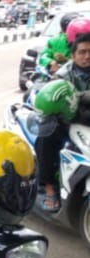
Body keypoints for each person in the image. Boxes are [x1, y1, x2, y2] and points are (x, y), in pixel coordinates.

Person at [34, 28, 90, 211]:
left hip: (86, 118)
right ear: (73, 56)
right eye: (82, 52)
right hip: (64, 119)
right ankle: (49, 187)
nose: (87, 56)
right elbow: (57, 101)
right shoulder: (63, 76)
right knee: (47, 138)